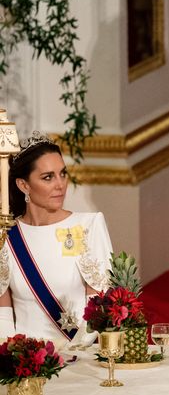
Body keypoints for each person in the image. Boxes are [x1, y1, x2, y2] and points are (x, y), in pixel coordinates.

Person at [0, 133, 113, 348]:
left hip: (78, 356)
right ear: (23, 185)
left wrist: (69, 353)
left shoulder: (88, 226)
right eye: (48, 177)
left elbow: (98, 307)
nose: (60, 184)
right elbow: (3, 314)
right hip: (26, 363)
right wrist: (13, 357)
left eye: (63, 174)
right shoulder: (6, 235)